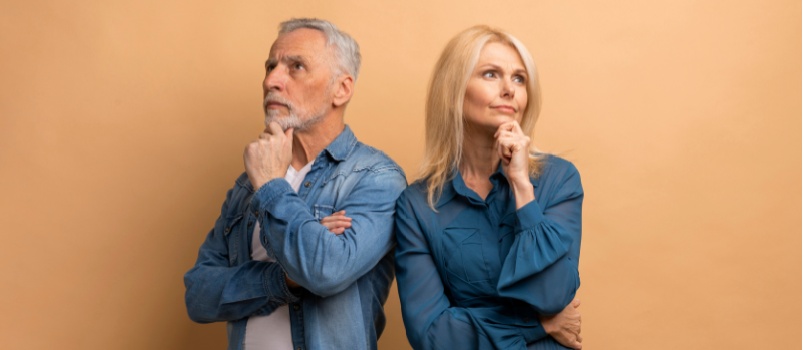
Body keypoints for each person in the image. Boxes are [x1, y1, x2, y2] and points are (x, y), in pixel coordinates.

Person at [184, 18, 407, 350]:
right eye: (270, 66)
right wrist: (285, 278)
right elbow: (199, 296)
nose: (272, 80)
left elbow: (324, 271)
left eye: (296, 67)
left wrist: (272, 186)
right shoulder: (248, 187)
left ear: (341, 89)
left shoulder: (376, 177)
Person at [394, 25, 584, 350]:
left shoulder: (559, 180)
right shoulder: (416, 205)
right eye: (491, 75)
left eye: (519, 78)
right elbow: (431, 335)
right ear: (454, 89)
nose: (509, 89)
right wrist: (539, 324)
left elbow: (554, 295)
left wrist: (522, 187)